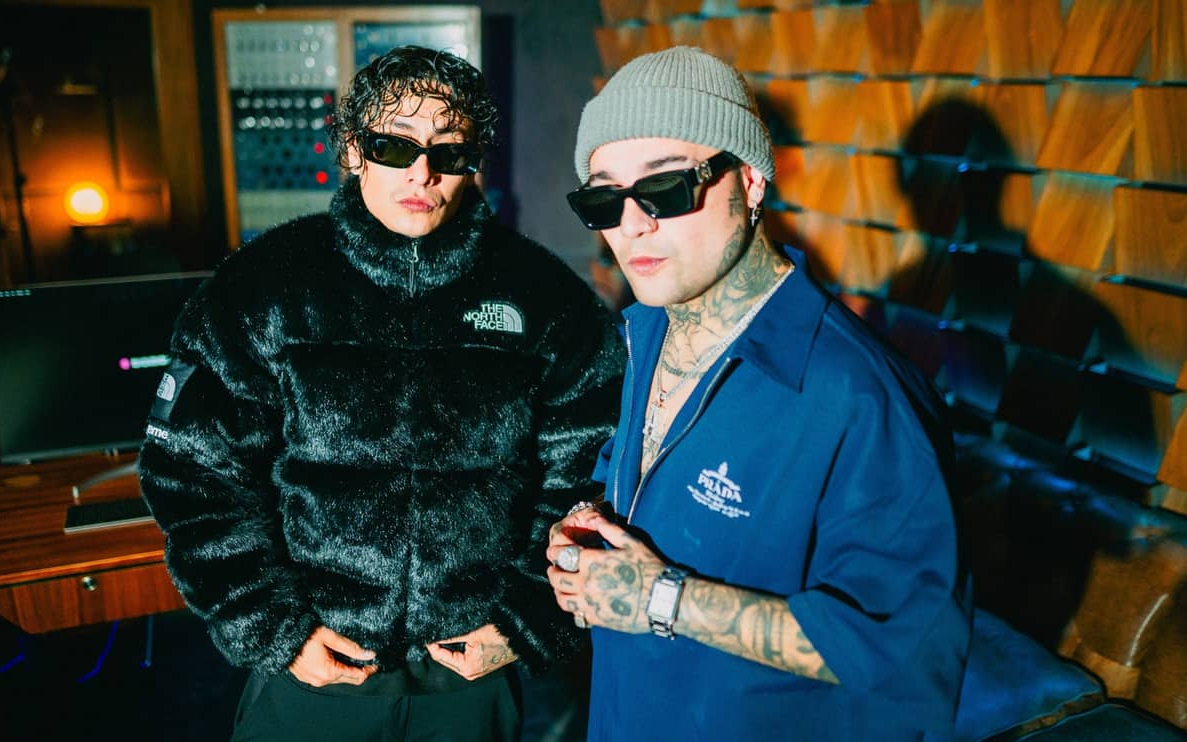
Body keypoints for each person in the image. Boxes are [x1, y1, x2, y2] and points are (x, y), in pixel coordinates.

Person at [139, 45, 624, 741]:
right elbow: (192, 470)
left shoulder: (544, 297)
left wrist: (524, 620)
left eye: (448, 151)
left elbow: (590, 473)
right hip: (313, 668)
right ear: (351, 150)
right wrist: (274, 629)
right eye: (393, 146)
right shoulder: (264, 285)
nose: (421, 173)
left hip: (472, 676)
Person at [546, 46, 971, 741]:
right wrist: (586, 536)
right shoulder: (641, 334)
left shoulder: (859, 396)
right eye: (603, 198)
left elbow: (904, 655)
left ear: (749, 182)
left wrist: (663, 599)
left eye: (665, 189)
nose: (631, 224)